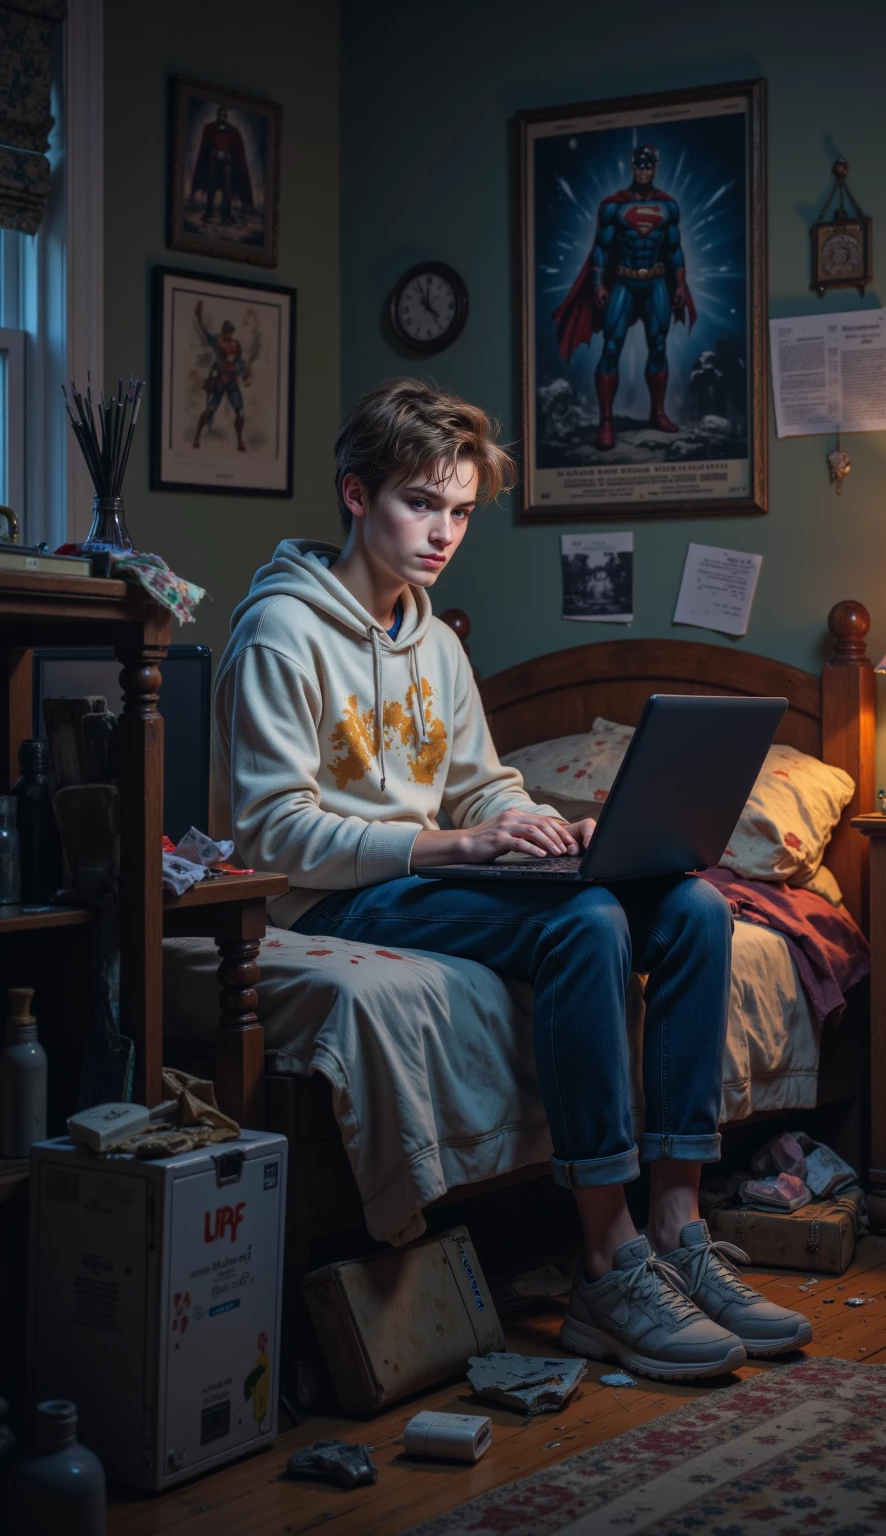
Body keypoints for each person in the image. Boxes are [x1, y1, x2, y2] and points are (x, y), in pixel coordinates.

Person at [212, 377, 811, 1380]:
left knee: (695, 909)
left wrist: (527, 820)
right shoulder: (279, 632)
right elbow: (272, 836)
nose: (443, 531)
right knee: (585, 925)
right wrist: (458, 846)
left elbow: (480, 783)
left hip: (425, 870)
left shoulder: (435, 638)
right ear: (356, 495)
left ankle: (675, 1229)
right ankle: (604, 1261)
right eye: (420, 503)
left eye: (458, 511)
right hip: (334, 895)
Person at [553, 144, 698, 450]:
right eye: (639, 165)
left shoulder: (668, 207)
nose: (644, 170)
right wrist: (597, 284)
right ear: (633, 167)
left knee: (658, 346)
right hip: (625, 281)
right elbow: (601, 249)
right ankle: (606, 422)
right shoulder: (613, 207)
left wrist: (681, 285)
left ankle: (657, 413)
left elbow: (674, 250)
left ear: (655, 168)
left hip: (656, 281)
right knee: (611, 347)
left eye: (649, 166)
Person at [192, 302, 250, 452]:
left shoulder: (236, 345)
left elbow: (239, 363)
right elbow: (205, 332)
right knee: (210, 409)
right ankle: (197, 436)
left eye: (230, 333)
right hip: (220, 380)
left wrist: (244, 373)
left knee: (240, 411)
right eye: (226, 332)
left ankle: (240, 442)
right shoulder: (217, 341)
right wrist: (199, 316)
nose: (228, 335)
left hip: (232, 382)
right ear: (223, 331)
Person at [190, 105, 254, 226]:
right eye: (220, 115)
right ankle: (209, 212)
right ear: (217, 115)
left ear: (226, 116)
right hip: (213, 161)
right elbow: (206, 147)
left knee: (227, 188)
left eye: (224, 115)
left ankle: (226, 215)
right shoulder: (210, 128)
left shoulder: (233, 131)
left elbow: (237, 150)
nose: (222, 117)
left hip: (227, 163)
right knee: (211, 186)